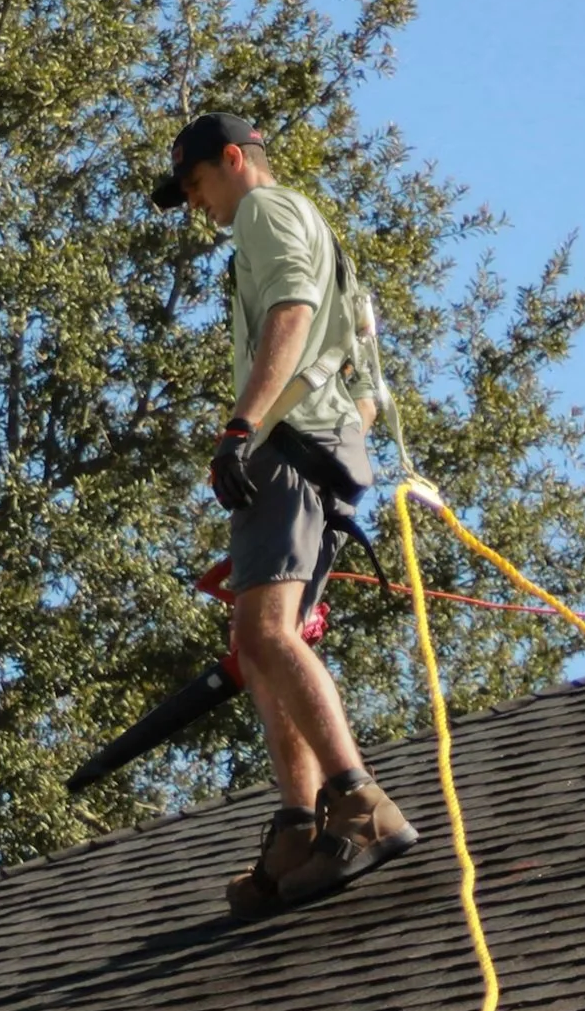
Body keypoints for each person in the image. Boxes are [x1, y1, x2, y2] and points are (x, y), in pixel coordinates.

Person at [149, 112, 417, 919]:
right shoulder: (307, 225)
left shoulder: (266, 211)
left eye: (197, 184)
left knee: (264, 634)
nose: (197, 204)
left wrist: (244, 427)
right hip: (319, 445)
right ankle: (301, 826)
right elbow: (364, 379)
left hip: (291, 444)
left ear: (234, 160)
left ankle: (358, 801)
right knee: (259, 639)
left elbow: (292, 312)